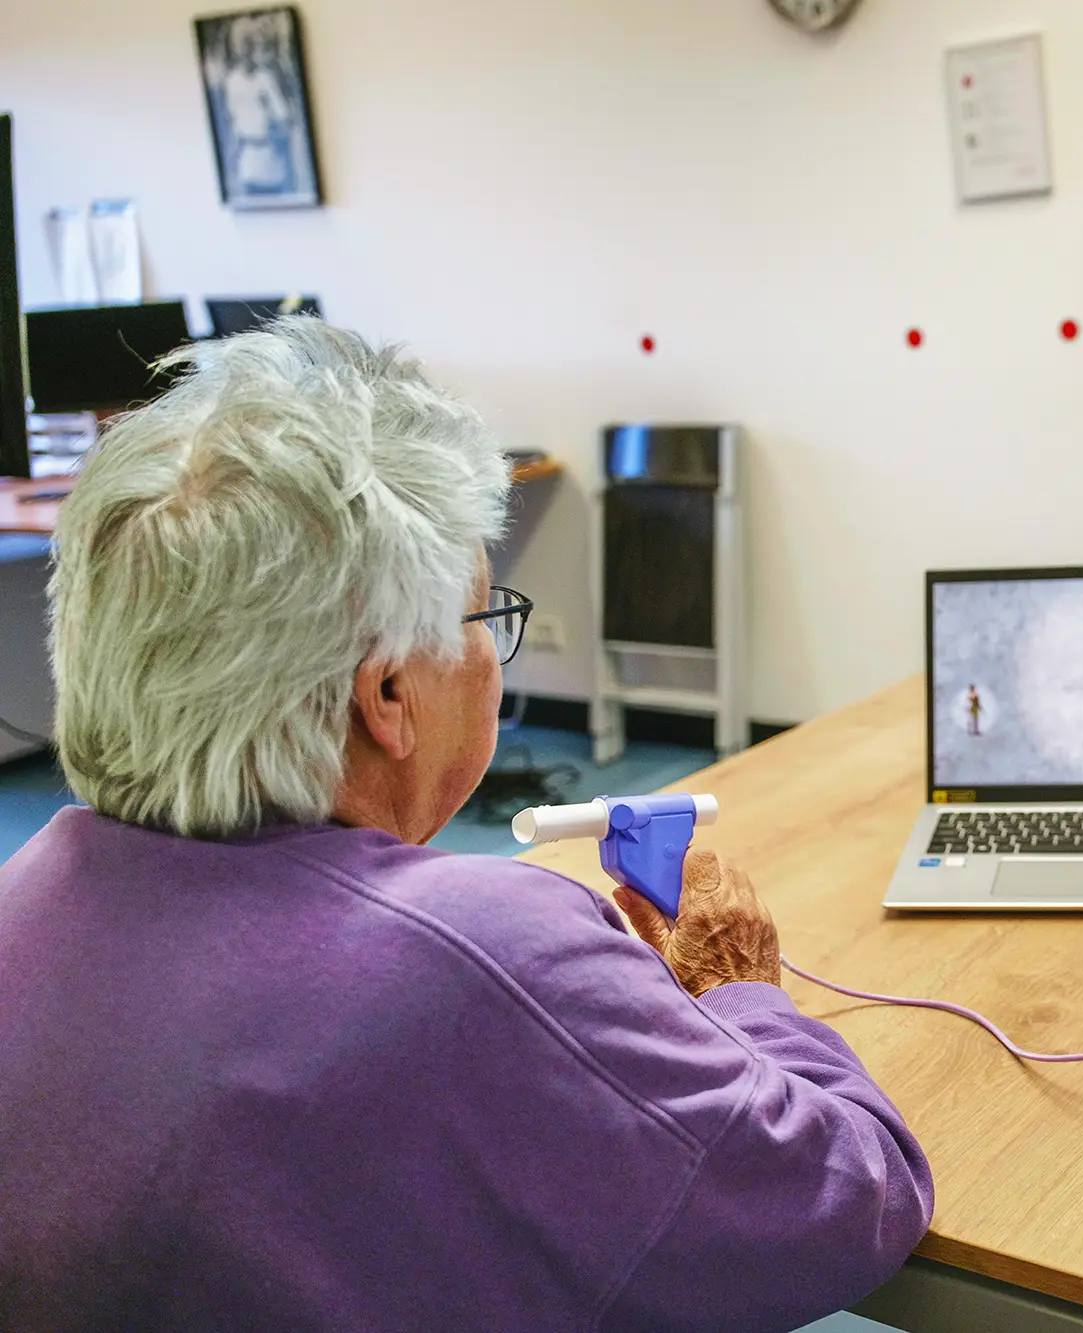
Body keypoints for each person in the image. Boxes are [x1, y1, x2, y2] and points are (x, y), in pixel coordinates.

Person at [0, 319, 932, 1332]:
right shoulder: (494, 956)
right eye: (489, 620)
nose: (494, 656)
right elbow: (851, 1193)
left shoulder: (23, 895)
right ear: (387, 694)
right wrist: (742, 991)